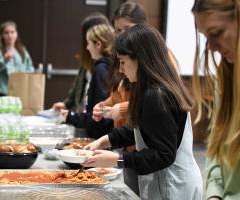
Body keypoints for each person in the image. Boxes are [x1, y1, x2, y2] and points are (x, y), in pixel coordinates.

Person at [83, 24, 203, 200]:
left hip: (173, 187)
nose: (121, 70)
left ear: (141, 59)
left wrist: (119, 159)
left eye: (123, 62)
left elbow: (163, 154)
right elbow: (141, 129)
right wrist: (105, 141)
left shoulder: (157, 95)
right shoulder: (149, 89)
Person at [192, 0, 240, 199]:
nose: (211, 47)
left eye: (216, 33)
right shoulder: (225, 80)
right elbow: (216, 147)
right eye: (206, 37)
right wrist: (214, 193)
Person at [52, 12, 110, 114]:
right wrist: (67, 104)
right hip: (83, 114)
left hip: (93, 118)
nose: (86, 46)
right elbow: (78, 85)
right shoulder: (89, 57)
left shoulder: (103, 67)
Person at [65, 24, 115, 139]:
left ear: (98, 44)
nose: (87, 48)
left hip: (99, 135)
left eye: (88, 43)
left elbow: (99, 113)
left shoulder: (101, 70)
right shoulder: (106, 67)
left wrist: (71, 117)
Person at [0, 21, 34, 96]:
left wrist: (22, 75)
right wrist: (3, 61)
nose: (10, 35)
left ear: (16, 34)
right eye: (6, 33)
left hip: (17, 92)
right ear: (2, 35)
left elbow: (30, 68)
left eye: (12, 32)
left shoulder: (22, 50)